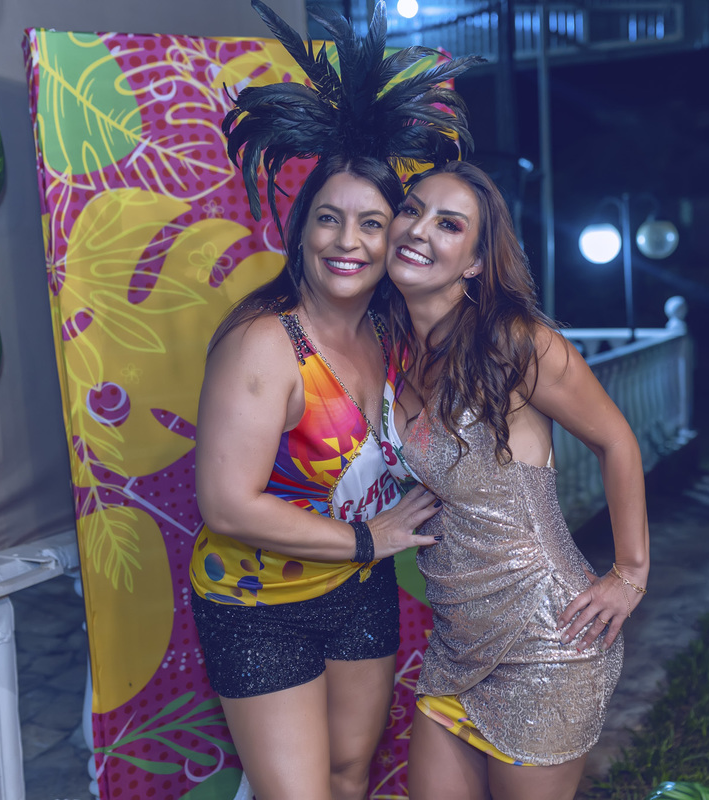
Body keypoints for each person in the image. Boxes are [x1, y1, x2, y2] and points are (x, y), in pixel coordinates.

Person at [188, 3, 480, 799]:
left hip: (357, 589)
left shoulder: (393, 331)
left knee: (351, 777)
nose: (347, 242)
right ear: (301, 232)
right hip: (259, 604)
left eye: (371, 224)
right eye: (328, 219)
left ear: (396, 242)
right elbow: (226, 503)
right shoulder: (265, 344)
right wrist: (367, 539)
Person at [379, 160, 651, 800]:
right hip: (457, 643)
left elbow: (616, 439)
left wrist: (631, 572)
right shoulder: (395, 349)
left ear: (476, 262)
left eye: (449, 225)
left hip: (546, 638)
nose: (419, 229)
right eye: (412, 210)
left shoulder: (514, 343)